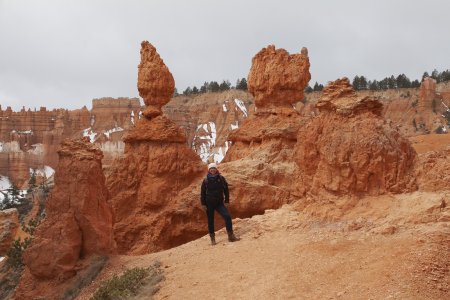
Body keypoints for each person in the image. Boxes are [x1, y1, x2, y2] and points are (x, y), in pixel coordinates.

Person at [201, 162, 240, 245]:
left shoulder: (221, 178)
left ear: (216, 169)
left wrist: (227, 201)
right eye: (211, 169)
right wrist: (203, 204)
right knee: (210, 221)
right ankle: (212, 239)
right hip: (209, 203)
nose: (212, 170)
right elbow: (203, 193)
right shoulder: (206, 180)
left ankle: (231, 236)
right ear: (209, 170)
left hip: (219, 203)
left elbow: (226, 190)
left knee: (227, 217)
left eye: (214, 168)